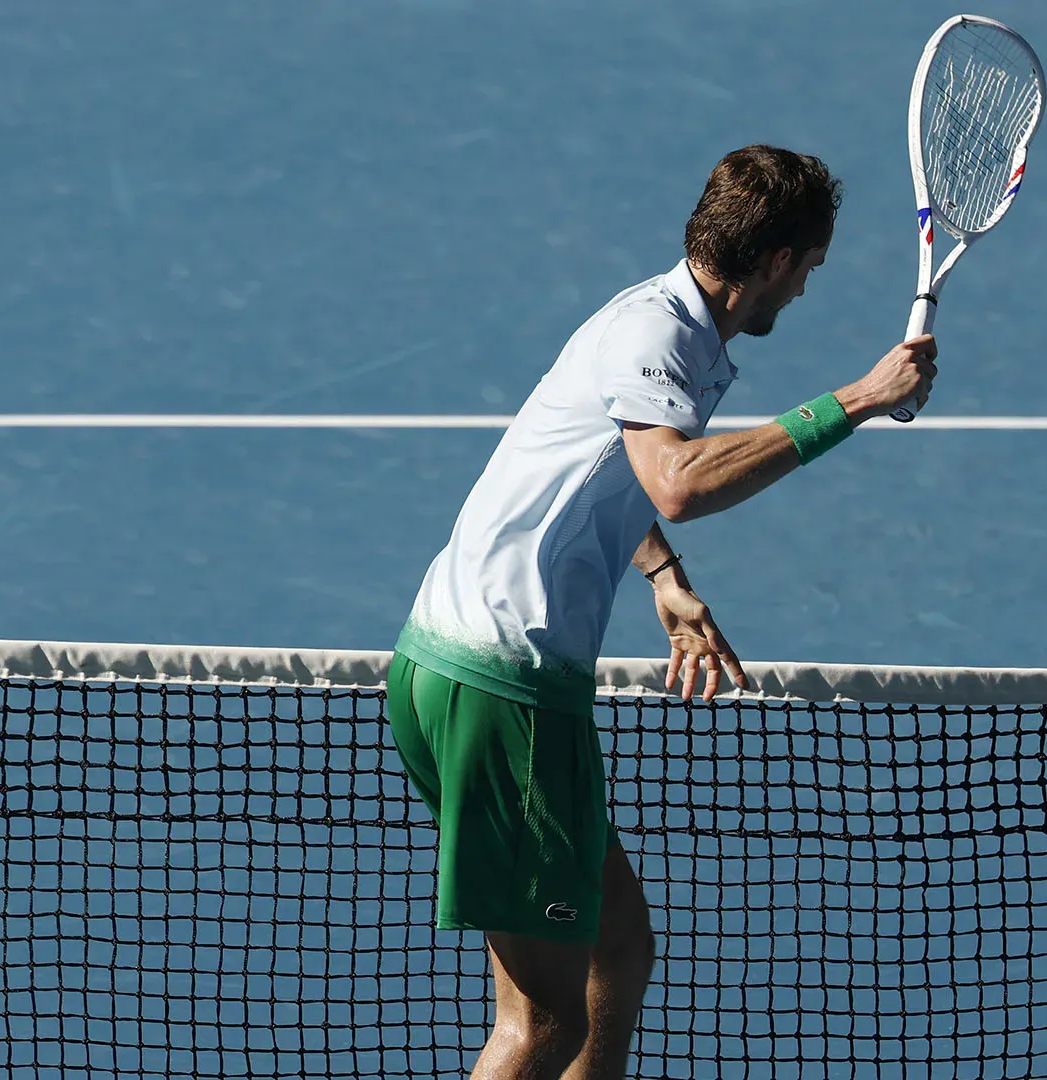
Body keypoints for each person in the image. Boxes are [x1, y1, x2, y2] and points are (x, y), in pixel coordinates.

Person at [386, 144, 937, 1080]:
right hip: (501, 684)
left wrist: (662, 577)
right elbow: (675, 481)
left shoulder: (670, 324)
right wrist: (858, 399)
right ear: (775, 262)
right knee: (542, 1023)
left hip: (484, 672)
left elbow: (602, 471)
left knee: (620, 954)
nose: (805, 292)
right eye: (809, 270)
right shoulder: (655, 336)